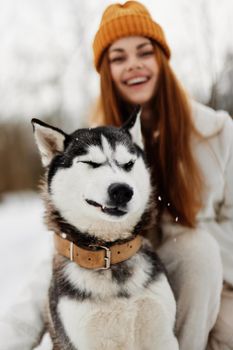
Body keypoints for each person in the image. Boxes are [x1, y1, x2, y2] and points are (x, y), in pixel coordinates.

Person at [1, 1, 233, 349]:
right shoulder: (90, 144)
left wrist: (210, 274)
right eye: (118, 57)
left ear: (162, 59)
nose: (134, 64)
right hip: (120, 256)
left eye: (144, 51)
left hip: (211, 281)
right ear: (106, 71)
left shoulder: (217, 131)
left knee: (200, 258)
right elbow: (69, 243)